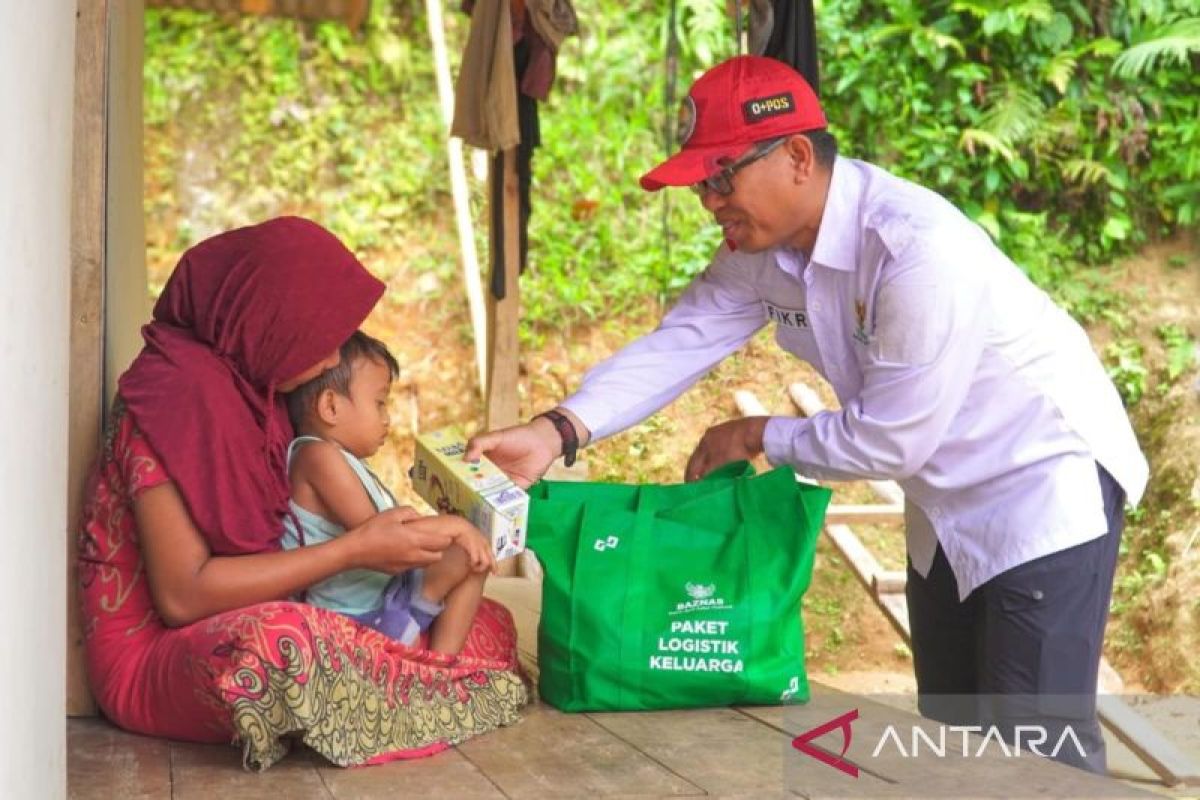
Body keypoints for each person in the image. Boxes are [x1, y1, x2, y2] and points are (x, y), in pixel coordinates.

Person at [467, 55, 1148, 773]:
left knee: (1036, 752)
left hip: (1037, 489)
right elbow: (684, 338)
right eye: (702, 184)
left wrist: (757, 432)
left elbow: (890, 440)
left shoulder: (917, 251)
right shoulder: (765, 248)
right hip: (943, 508)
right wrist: (557, 429)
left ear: (795, 155)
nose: (710, 202)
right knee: (952, 736)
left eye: (722, 176)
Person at [77, 216, 526, 771]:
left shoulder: (256, 392)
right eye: (321, 336)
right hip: (156, 653)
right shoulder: (171, 405)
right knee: (283, 643)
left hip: (273, 603)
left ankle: (404, 676)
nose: (333, 360)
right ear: (267, 322)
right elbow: (182, 598)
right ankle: (408, 679)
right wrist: (352, 552)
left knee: (486, 622)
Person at [282, 330, 495, 654]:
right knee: (466, 538)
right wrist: (456, 525)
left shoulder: (348, 461)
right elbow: (386, 539)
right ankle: (410, 624)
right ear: (330, 406)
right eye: (379, 403)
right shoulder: (317, 457)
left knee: (475, 555)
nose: (387, 419)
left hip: (388, 591)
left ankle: (440, 665)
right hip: (349, 616)